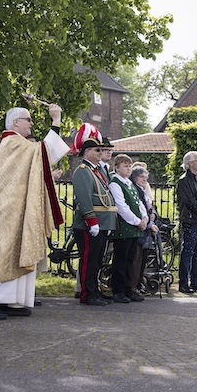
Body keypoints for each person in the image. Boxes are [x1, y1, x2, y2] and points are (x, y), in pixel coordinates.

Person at [0, 104, 69, 318]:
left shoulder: (17, 142)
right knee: (5, 251)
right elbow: (44, 153)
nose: (31, 123)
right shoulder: (12, 141)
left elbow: (40, 158)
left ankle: (9, 300)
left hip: (16, 206)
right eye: (28, 120)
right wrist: (56, 121)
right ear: (15, 122)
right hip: (9, 209)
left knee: (17, 250)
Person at [70, 123, 117, 306]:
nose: (100, 152)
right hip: (90, 224)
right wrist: (92, 221)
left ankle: (94, 291)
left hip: (102, 223)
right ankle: (87, 294)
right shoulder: (83, 171)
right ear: (88, 151)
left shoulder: (95, 171)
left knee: (97, 261)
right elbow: (84, 198)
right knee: (89, 261)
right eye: (98, 150)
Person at [109, 154, 149, 303]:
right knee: (121, 260)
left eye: (129, 166)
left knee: (130, 260)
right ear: (116, 168)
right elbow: (121, 207)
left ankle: (128, 289)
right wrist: (137, 221)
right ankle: (118, 290)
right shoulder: (115, 183)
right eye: (125, 166)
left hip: (134, 228)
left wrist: (144, 218)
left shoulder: (129, 184)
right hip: (123, 228)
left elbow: (139, 203)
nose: (128, 169)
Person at [176, 151, 197, 293]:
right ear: (190, 163)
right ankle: (183, 283)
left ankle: (196, 281)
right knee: (187, 252)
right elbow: (189, 200)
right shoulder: (184, 181)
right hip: (191, 221)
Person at [129, 165, 159, 293]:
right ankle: (133, 287)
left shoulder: (143, 190)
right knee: (136, 259)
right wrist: (149, 223)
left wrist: (153, 216)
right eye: (141, 176)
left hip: (147, 227)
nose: (144, 179)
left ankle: (138, 284)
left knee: (142, 259)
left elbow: (150, 207)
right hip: (140, 228)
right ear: (135, 177)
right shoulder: (136, 189)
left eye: (146, 177)